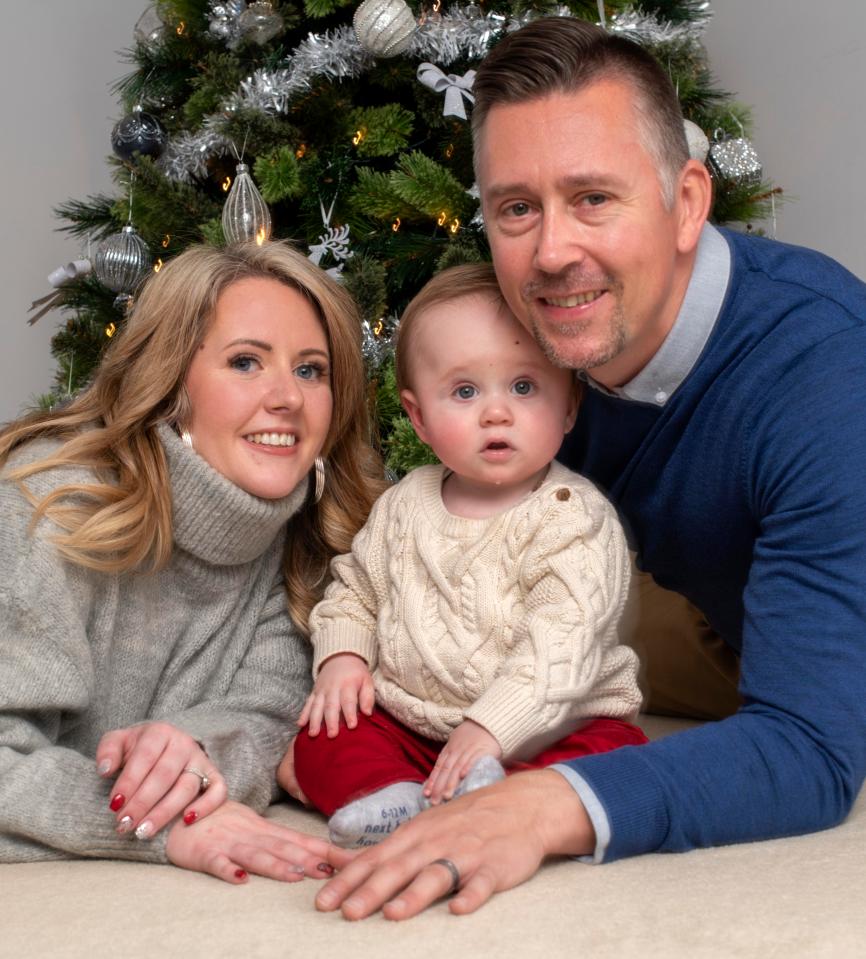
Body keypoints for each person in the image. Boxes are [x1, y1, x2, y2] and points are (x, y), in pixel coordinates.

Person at [312, 16, 866, 920]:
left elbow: (810, 748)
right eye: (516, 208)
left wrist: (540, 806)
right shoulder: (530, 355)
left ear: (688, 202)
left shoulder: (828, 377)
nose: (554, 252)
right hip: (696, 594)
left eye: (594, 198)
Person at [0, 240, 385, 882]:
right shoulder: (48, 505)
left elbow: (271, 717)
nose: (287, 397)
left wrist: (190, 754)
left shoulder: (312, 538)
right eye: (245, 362)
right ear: (174, 382)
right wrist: (159, 819)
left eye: (311, 370)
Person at [288, 263, 645, 848]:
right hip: (413, 719)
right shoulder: (404, 505)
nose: (496, 412)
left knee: (611, 755)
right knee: (323, 735)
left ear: (569, 407)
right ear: (419, 417)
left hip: (549, 722)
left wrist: (490, 728)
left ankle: (498, 795)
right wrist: (343, 658)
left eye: (524, 387)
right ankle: (392, 796)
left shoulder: (572, 517)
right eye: (464, 391)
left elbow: (561, 648)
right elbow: (356, 589)